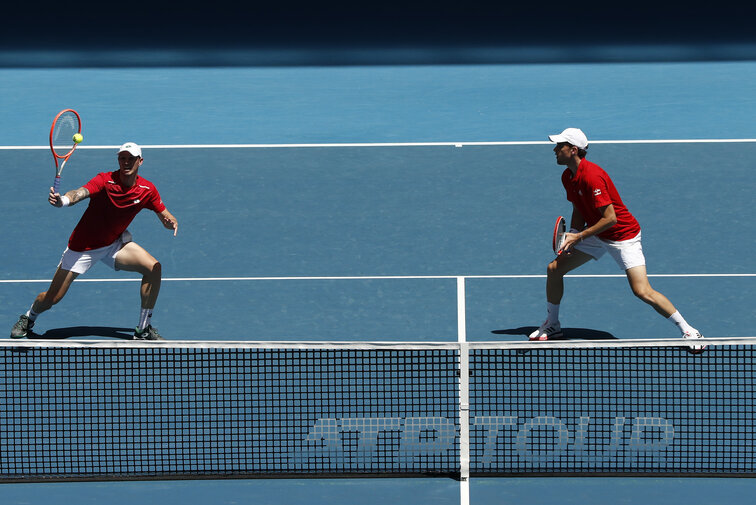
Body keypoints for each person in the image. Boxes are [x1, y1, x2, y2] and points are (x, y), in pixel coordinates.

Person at [529, 128, 705, 352]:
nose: (555, 150)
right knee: (554, 269)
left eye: (559, 146)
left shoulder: (592, 176)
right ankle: (552, 325)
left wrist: (580, 235)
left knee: (642, 291)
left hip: (623, 236)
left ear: (573, 150)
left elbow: (610, 219)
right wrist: (573, 233)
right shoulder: (568, 176)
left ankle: (688, 330)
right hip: (595, 233)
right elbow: (579, 207)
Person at [10, 142, 178, 341]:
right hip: (83, 247)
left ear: (140, 161)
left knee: (154, 268)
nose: (126, 162)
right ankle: (29, 318)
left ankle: (143, 328)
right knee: (52, 298)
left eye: (131, 158)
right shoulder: (104, 180)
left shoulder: (146, 189)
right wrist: (63, 200)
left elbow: (166, 216)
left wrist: (171, 222)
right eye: (122, 158)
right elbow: (79, 193)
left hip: (114, 243)